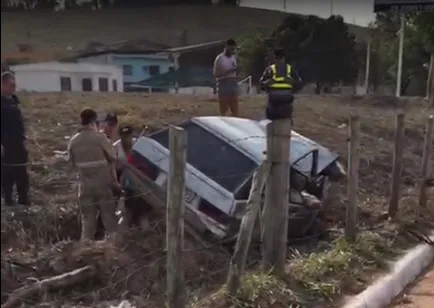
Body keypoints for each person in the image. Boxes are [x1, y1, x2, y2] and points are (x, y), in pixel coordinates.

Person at [67, 108, 120, 240]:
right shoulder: (99, 139)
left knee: (87, 222)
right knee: (109, 219)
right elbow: (113, 157)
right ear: (93, 122)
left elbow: (71, 164)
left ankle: (85, 249)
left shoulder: (73, 141)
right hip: (103, 186)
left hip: (85, 187)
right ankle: (113, 248)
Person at [1, 71, 30, 206]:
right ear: (3, 84)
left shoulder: (14, 100)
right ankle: (8, 201)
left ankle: (23, 200)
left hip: (18, 141)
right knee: (8, 174)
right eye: (11, 84)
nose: (14, 87)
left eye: (15, 84)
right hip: (5, 143)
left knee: (22, 173)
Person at [113, 124, 148, 230]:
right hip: (122, 177)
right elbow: (114, 166)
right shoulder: (115, 147)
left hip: (138, 178)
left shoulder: (138, 144)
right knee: (126, 207)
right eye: (124, 136)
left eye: (128, 135)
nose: (126, 138)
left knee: (140, 209)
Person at [259, 48, 303, 121]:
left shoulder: (290, 69)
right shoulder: (269, 70)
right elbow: (261, 84)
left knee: (284, 122)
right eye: (277, 58)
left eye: (280, 58)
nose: (279, 61)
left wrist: (290, 81)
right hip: (273, 102)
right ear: (274, 59)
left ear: (284, 59)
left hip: (286, 102)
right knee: (271, 122)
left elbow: (299, 83)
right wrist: (268, 82)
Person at [213, 39, 240, 117]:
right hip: (223, 83)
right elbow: (216, 74)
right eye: (231, 49)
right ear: (226, 47)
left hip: (233, 83)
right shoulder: (220, 58)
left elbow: (236, 71)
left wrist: (238, 71)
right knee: (223, 109)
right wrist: (229, 71)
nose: (232, 51)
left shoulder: (234, 57)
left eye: (234, 49)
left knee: (235, 108)